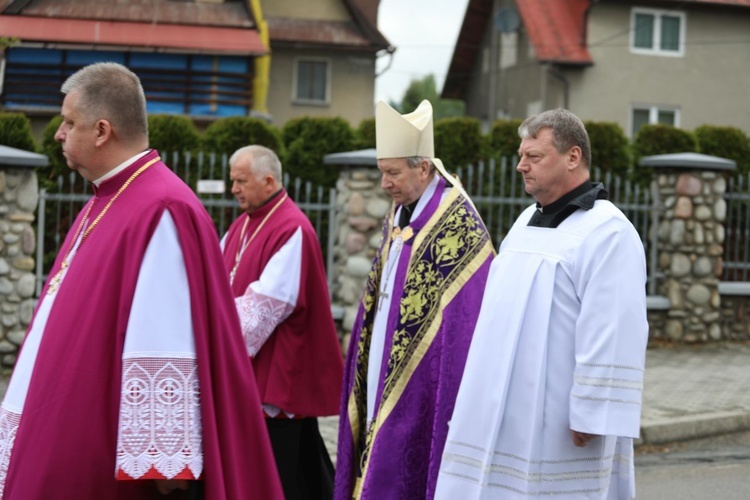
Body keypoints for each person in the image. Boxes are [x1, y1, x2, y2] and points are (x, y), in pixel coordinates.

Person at [0, 62, 283, 499]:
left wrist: (162, 467)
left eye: (68, 122)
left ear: (101, 130)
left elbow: (162, 340)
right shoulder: (107, 197)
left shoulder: (160, 208)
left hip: (106, 462)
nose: (58, 133)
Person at [435, 108, 649, 499]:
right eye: (521, 156)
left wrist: (593, 410)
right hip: (502, 406)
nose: (521, 166)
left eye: (533, 157)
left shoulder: (608, 232)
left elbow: (614, 325)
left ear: (573, 157)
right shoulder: (523, 223)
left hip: (561, 418)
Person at [334, 100, 495, 499]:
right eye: (382, 173)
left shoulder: (457, 222)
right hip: (381, 363)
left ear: (422, 168)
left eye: (392, 173)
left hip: (424, 372)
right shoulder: (401, 211)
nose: (385, 183)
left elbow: (466, 316)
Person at [221, 145, 344, 500]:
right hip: (250, 371)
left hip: (276, 372)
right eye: (233, 181)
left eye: (241, 181)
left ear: (268, 180)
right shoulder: (240, 226)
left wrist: (217, 340)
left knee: (284, 471)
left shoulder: (293, 229)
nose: (234, 189)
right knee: (298, 464)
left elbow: (267, 306)